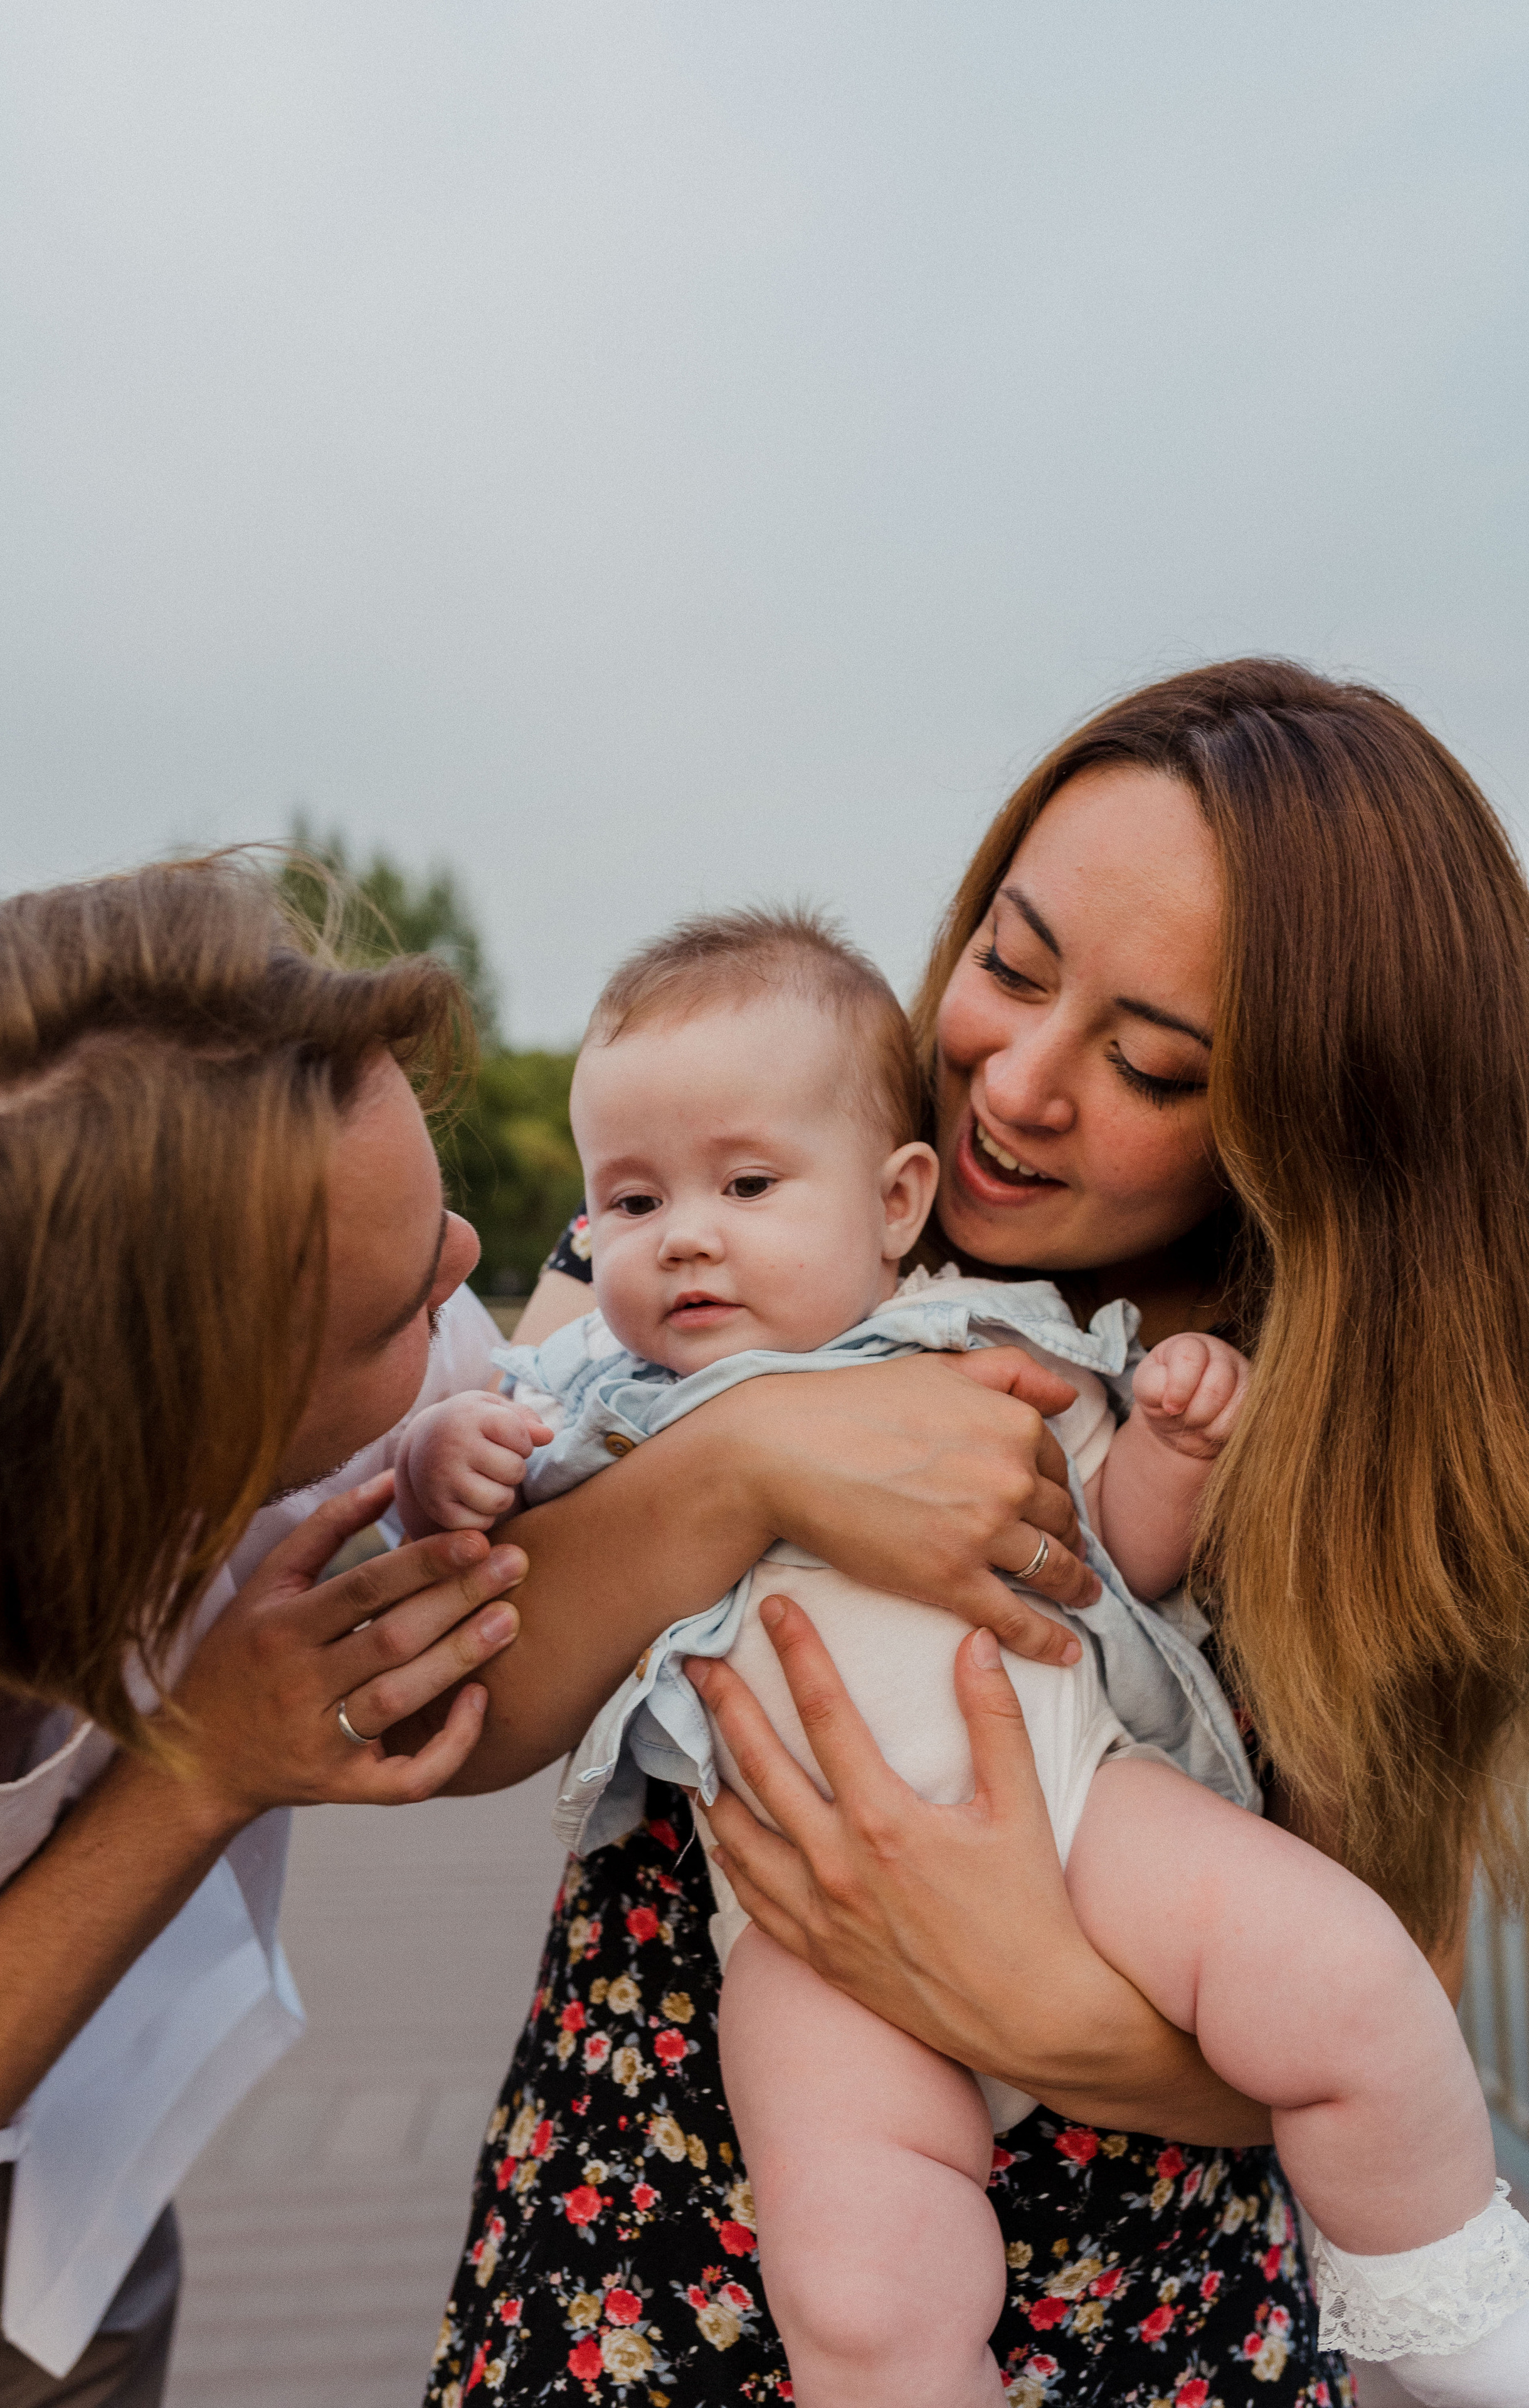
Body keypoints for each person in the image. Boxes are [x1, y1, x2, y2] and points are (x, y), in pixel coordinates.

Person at [423, 659, 1529, 2407]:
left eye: (1150, 1062)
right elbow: (467, 1703)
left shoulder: (1318, 1431)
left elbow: (1360, 1987)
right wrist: (754, 1465)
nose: (1012, 1079)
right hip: (656, 2267)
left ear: (1315, 1122)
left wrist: (1040, 2006)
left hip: (1156, 2318)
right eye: (1008, 964)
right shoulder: (715, 1224)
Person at [0, 859, 529, 2404]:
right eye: (402, 1313)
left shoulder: (359, 1286)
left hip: (58, 2168)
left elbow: (581, 1380)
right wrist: (198, 1768)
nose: (466, 1276)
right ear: (158, 1453)